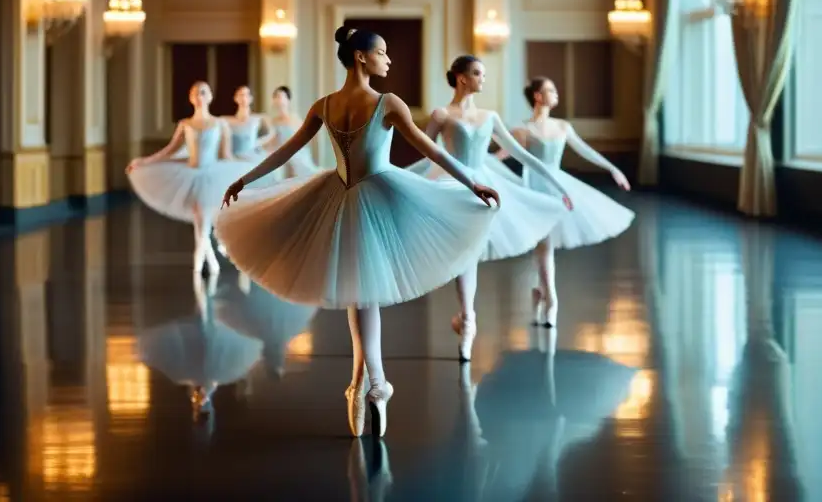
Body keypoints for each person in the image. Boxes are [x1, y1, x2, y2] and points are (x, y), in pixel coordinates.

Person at [215, 26, 501, 438]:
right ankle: (374, 386)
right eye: (383, 53)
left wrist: (244, 179)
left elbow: (284, 153)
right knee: (363, 292)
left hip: (339, 194)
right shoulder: (387, 102)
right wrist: (471, 184)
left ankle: (360, 384)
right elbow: (431, 150)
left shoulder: (325, 105)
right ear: (362, 58)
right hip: (379, 194)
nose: (389, 59)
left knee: (358, 291)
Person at [409, 55, 573, 362]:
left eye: (483, 74)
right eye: (477, 74)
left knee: (469, 251)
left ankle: (467, 319)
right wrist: (405, 181)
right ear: (461, 78)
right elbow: (425, 149)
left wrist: (562, 187)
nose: (483, 79)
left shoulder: (489, 115)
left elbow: (524, 156)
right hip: (452, 183)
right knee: (464, 252)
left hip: (486, 184)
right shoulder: (442, 113)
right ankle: (468, 319)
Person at [492, 76, 634, 327]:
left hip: (558, 188)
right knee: (543, 246)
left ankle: (545, 295)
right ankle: (548, 297)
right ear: (537, 96)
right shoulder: (522, 129)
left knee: (545, 246)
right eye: (551, 90)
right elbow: (501, 155)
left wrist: (613, 168)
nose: (556, 93)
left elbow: (585, 150)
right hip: (533, 190)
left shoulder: (562, 127)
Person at [126, 81, 254, 274]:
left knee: (203, 218)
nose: (200, 96)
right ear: (191, 98)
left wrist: (246, 166)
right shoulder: (185, 124)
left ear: (210, 96)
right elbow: (169, 151)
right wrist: (144, 162)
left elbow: (226, 155)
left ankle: (201, 262)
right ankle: (208, 261)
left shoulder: (220, 124)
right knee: (200, 217)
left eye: (203, 92)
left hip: (212, 176)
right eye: (196, 93)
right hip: (191, 175)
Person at [267, 85, 319, 178]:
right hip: (281, 152)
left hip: (296, 153)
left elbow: (304, 138)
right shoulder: (273, 121)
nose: (278, 100)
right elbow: (273, 141)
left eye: (281, 96)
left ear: (288, 100)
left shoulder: (294, 118)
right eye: (276, 97)